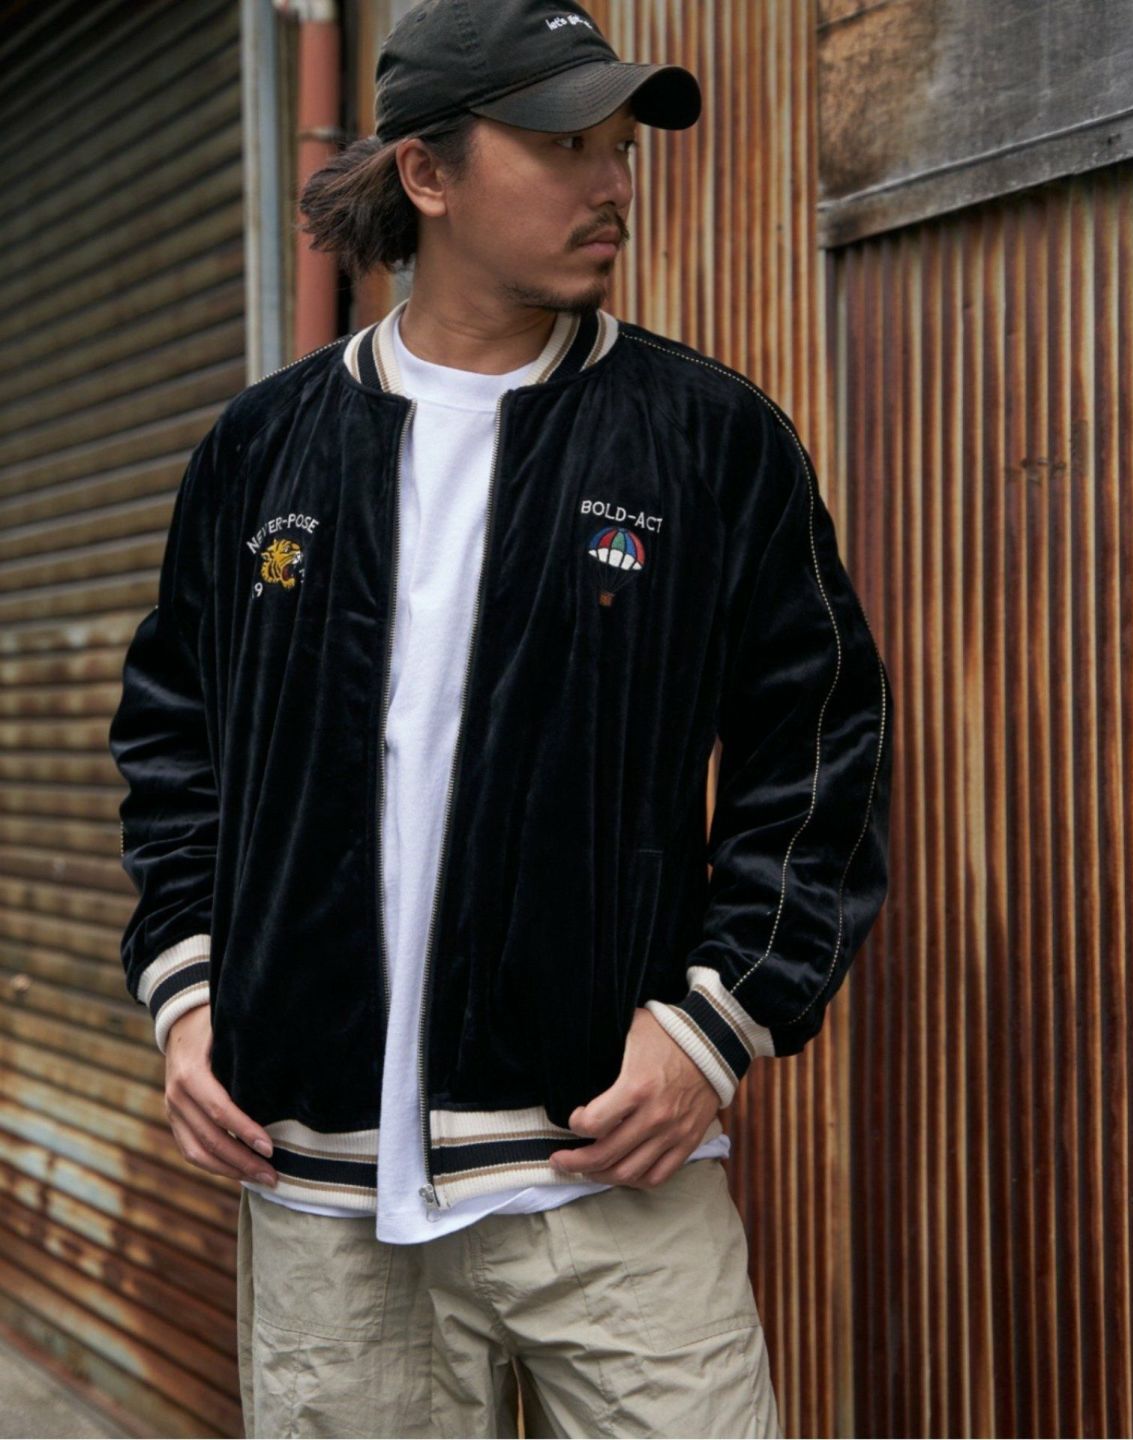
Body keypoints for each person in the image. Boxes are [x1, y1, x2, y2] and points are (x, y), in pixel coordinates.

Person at [108, 1, 893, 1434]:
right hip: (321, 1183)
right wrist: (190, 990)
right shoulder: (263, 449)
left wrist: (715, 1024)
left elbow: (823, 746)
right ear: (427, 173)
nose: (614, 185)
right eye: (564, 146)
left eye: (621, 148)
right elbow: (176, 744)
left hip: (604, 1169)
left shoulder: (705, 438)